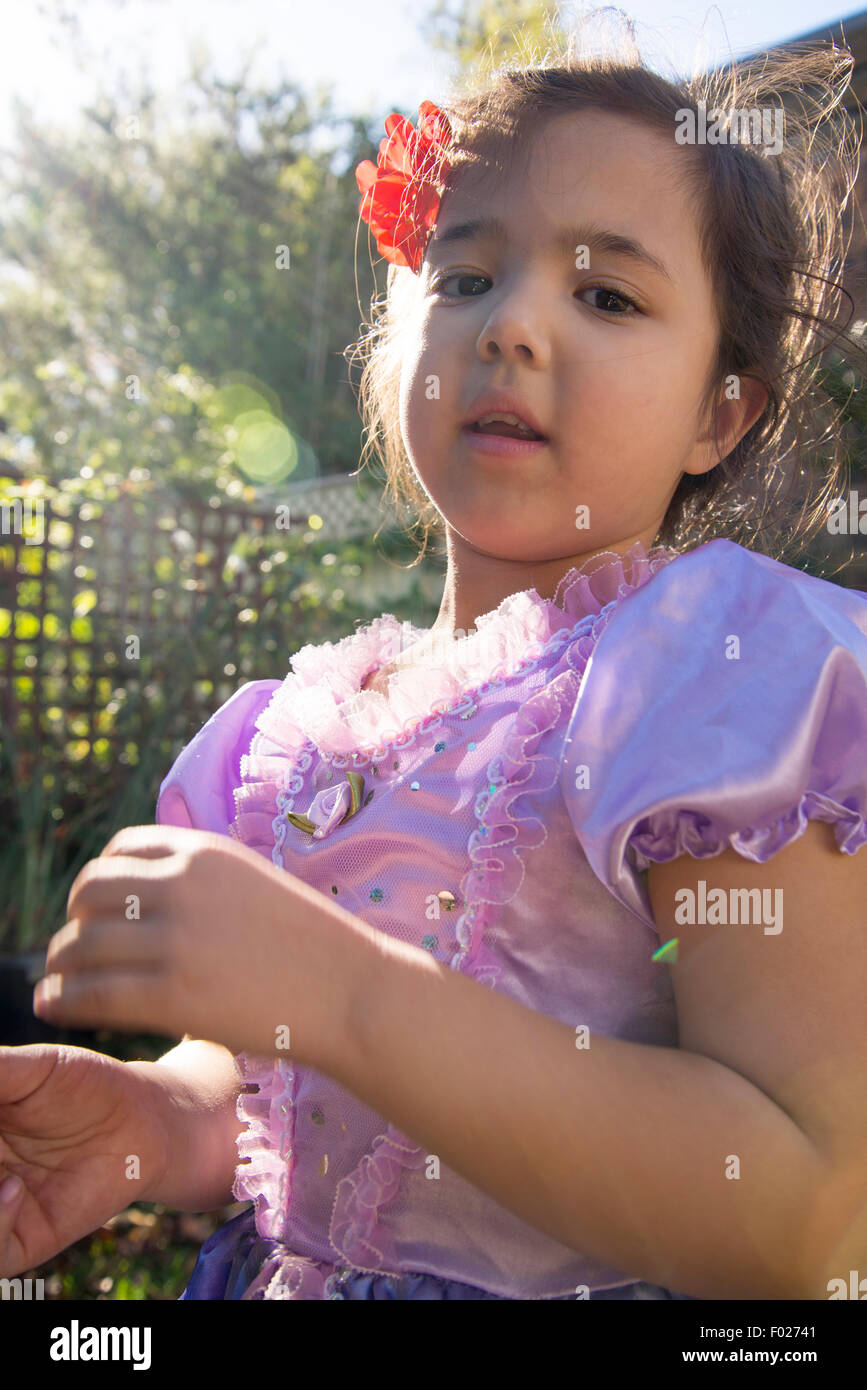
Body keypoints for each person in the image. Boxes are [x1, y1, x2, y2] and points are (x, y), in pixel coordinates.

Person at [3, 34, 867, 1302]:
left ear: (716, 413)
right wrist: (148, 1121)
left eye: (609, 296)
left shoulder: (711, 684)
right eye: (464, 274)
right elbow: (268, 1091)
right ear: (393, 341)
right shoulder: (290, 732)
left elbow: (806, 1213)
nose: (512, 322)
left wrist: (347, 990)